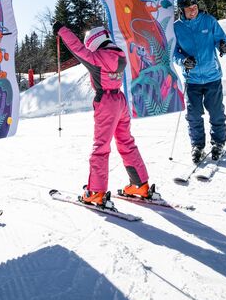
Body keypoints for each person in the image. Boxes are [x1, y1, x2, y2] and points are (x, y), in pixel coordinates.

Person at [53, 21, 156, 208]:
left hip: (106, 104)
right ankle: (140, 184)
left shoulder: (95, 59)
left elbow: (76, 48)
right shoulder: (120, 55)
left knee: (101, 147)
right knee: (126, 142)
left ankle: (95, 192)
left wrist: (61, 29)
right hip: (120, 100)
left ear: (92, 42)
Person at [173, 0, 226, 164]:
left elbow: (221, 39)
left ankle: (218, 142)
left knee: (216, 112)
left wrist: (223, 45)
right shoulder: (177, 28)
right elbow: (174, 52)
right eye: (189, 8)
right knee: (193, 115)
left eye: (195, 7)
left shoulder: (209, 21)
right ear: (182, 10)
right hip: (192, 80)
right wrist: (183, 60)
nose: (193, 10)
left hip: (212, 76)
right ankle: (197, 145)